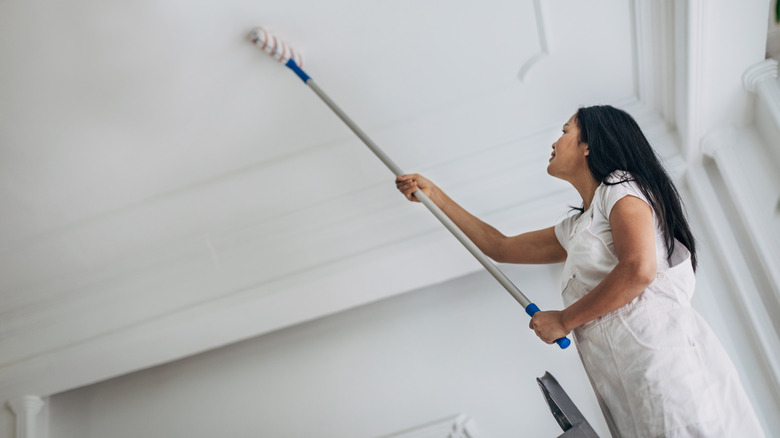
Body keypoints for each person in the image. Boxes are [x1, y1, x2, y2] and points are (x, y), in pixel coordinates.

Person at [395, 105, 764, 437]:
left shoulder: (622, 188)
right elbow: (499, 246)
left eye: (565, 130)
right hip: (625, 382)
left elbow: (638, 270)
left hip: (664, 366)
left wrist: (565, 319)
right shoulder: (576, 227)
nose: (555, 141)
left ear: (589, 144)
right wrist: (435, 196)